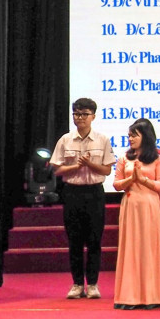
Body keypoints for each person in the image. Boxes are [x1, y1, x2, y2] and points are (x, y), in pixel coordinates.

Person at [50, 97, 116, 300]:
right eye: (77, 114)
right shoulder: (65, 140)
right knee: (75, 240)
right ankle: (77, 283)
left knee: (94, 240)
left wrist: (89, 164)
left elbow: (106, 170)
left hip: (95, 193)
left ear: (93, 116)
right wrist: (76, 166)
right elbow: (57, 170)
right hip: (72, 193)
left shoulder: (102, 140)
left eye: (84, 114)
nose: (80, 118)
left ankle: (93, 284)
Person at [113, 118, 160, 309]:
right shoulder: (124, 158)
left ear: (146, 136)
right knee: (130, 248)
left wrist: (142, 179)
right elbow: (116, 184)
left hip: (149, 206)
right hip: (130, 205)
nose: (130, 139)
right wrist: (131, 179)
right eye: (129, 135)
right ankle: (129, 297)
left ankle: (151, 296)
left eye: (134, 135)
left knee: (148, 249)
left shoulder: (158, 159)